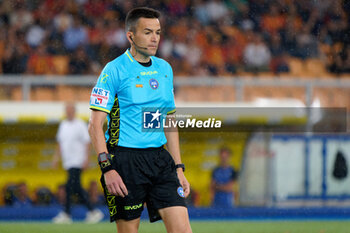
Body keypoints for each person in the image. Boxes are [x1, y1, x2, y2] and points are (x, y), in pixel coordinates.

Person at [88, 7, 192, 233]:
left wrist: (178, 168)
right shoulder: (113, 71)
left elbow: (169, 121)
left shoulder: (165, 69)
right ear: (130, 36)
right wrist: (107, 169)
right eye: (147, 32)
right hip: (125, 161)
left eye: (158, 32)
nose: (155, 38)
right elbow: (95, 125)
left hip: (160, 159)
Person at [52, 102, 103, 224]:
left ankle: (69, 213)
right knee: (73, 187)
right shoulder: (63, 125)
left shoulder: (80, 124)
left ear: (74, 111)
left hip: (77, 160)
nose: (68, 112)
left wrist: (86, 159)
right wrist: (55, 158)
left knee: (71, 186)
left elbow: (87, 142)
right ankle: (89, 211)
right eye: (67, 110)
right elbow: (60, 143)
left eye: (70, 110)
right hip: (68, 161)